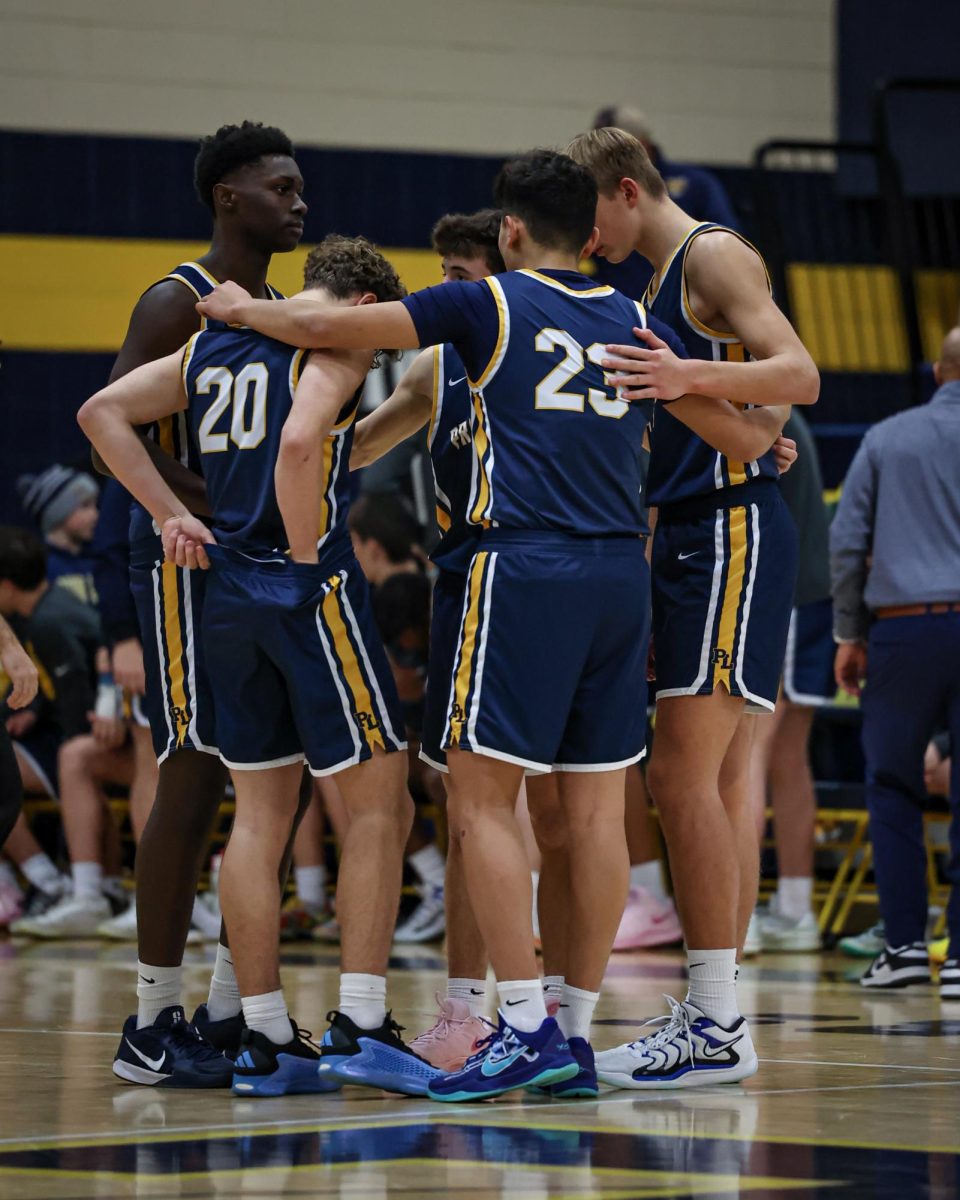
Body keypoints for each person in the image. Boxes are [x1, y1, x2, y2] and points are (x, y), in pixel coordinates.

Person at [196, 149, 792, 1100]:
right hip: (618, 575)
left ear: (510, 231)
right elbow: (756, 434)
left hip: (518, 567)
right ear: (592, 232)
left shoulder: (488, 306)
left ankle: (519, 1023)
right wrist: (762, 434)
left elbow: (330, 322)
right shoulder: (634, 316)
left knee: (480, 802)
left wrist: (243, 312)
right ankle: (575, 1029)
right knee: (598, 813)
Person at [80, 234, 442, 1097]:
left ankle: (266, 1039)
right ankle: (359, 1022)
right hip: (299, 582)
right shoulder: (340, 339)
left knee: (259, 810)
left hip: (225, 592)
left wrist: (171, 512)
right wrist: (310, 556)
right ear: (362, 306)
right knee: (378, 796)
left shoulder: (211, 344)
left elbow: (100, 413)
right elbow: (300, 444)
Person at [566, 126, 817, 1087]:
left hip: (730, 535)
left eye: (591, 220)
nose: (588, 244)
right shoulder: (656, 280)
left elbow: (798, 373)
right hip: (686, 530)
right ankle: (712, 1009)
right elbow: (762, 409)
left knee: (683, 778)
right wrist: (745, 425)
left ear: (626, 191)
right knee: (683, 783)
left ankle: (717, 1018)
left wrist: (694, 382)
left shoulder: (710, 253)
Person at [98, 121, 307, 1086]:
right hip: (183, 561)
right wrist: (207, 507)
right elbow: (115, 427)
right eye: (281, 187)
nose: (298, 203)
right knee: (189, 776)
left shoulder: (272, 305)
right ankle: (150, 1021)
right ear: (229, 196)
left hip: (251, 564)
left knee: (257, 774)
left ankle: (228, 1010)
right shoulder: (176, 299)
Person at [830, 326, 960, 1001]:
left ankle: (905, 946)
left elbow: (848, 542)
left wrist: (849, 633)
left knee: (892, 786)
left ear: (938, 375)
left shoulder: (887, 436)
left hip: (904, 632)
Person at [746, 410, 833, 954]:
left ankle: (742, 910)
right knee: (785, 755)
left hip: (785, 590)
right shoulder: (778, 404)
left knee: (750, 752)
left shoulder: (761, 406)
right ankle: (795, 910)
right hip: (810, 591)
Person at [589, 105, 740, 301]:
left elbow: (726, 238)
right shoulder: (600, 193)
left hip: (681, 308)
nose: (606, 163)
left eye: (612, 154)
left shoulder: (696, 184)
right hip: (626, 310)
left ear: (641, 143)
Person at [16, 465, 101, 607]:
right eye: (85, 506)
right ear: (57, 513)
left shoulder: (97, 561)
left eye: (95, 505)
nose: (95, 515)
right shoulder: (41, 569)